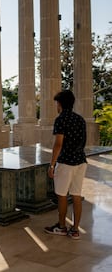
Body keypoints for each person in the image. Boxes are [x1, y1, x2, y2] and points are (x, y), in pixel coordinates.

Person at [44, 90, 87, 240]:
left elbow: (58, 144)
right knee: (76, 195)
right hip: (81, 161)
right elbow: (83, 142)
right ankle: (75, 230)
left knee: (62, 195)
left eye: (57, 103)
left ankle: (61, 227)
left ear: (60, 104)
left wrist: (51, 165)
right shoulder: (80, 119)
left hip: (66, 163)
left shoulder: (61, 119)